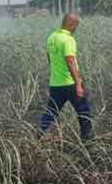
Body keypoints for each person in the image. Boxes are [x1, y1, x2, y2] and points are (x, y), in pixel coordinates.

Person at [39, 13, 93, 141]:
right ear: (72, 24)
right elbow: (70, 60)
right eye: (76, 25)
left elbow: (49, 58)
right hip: (70, 84)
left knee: (50, 113)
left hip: (55, 84)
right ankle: (88, 141)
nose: (76, 28)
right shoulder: (68, 39)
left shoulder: (52, 37)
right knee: (83, 112)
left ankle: (37, 134)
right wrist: (78, 84)